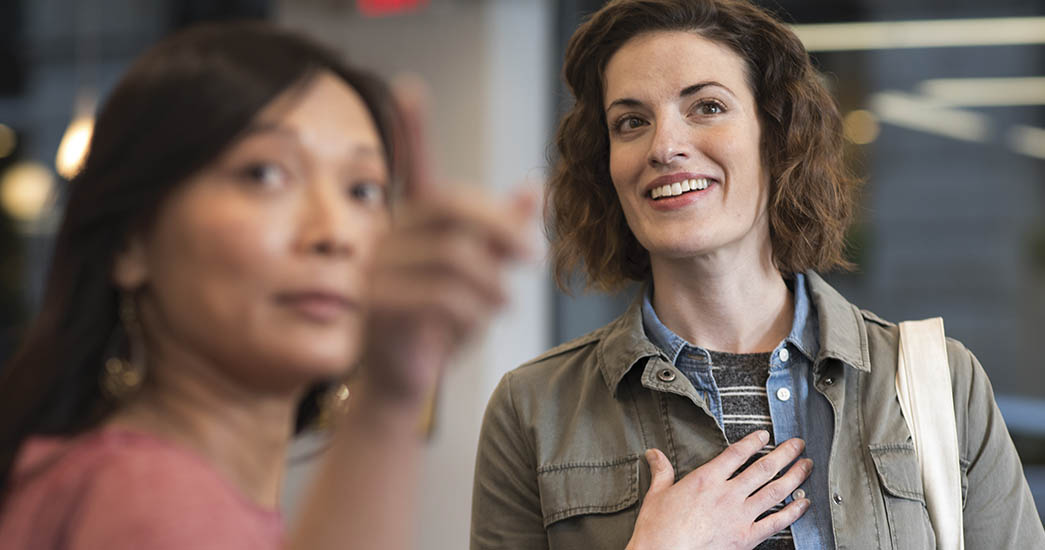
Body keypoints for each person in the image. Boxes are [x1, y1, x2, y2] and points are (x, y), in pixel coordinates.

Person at [470, 1, 1045, 549]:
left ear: (777, 136)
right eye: (630, 122)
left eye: (708, 107)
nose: (665, 146)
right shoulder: (532, 409)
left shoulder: (942, 384)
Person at [0, 22, 532, 550]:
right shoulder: (148, 495)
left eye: (363, 190)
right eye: (264, 175)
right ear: (131, 243)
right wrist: (389, 401)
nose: (333, 234)